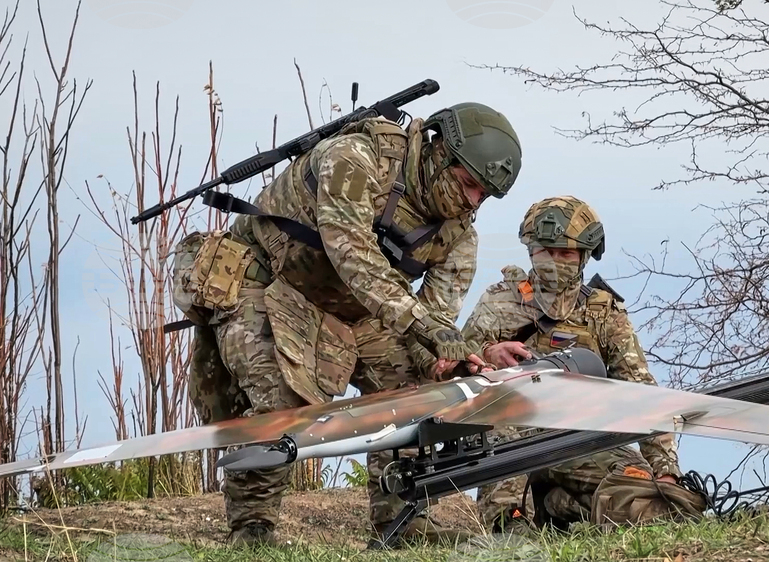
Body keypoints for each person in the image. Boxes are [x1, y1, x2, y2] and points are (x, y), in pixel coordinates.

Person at [170, 102, 522, 546]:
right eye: (467, 184)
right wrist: (426, 329)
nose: (472, 201)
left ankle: (403, 520)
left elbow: (433, 324)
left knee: (417, 391)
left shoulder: (458, 238)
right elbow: (351, 252)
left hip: (358, 309)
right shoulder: (355, 158)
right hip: (269, 278)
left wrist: (445, 360)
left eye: (483, 195)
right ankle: (253, 527)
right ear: (439, 153)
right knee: (282, 396)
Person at [461, 196, 706, 534]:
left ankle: (560, 507)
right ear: (530, 250)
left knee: (649, 498)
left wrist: (666, 470)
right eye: (545, 250)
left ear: (584, 257)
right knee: (504, 441)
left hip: (579, 439)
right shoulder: (499, 300)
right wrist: (488, 354)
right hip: (511, 433)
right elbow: (455, 364)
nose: (554, 261)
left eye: (565, 253)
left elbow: (644, 393)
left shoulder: (603, 314)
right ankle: (508, 525)